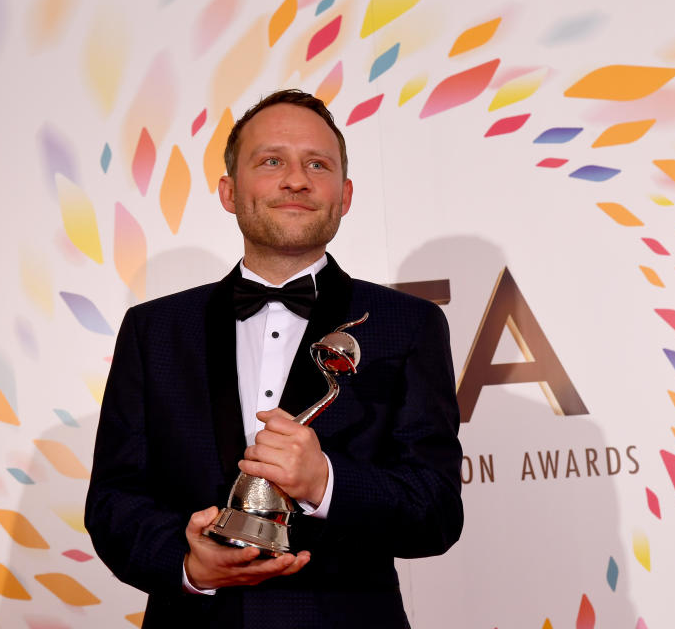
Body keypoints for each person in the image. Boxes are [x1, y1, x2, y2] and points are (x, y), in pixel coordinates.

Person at [85, 89, 463, 628]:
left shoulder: (408, 325)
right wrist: (188, 563)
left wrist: (325, 482)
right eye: (271, 162)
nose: (296, 179)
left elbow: (436, 513)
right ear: (229, 192)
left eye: (317, 164)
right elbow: (113, 503)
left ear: (345, 194)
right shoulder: (155, 330)